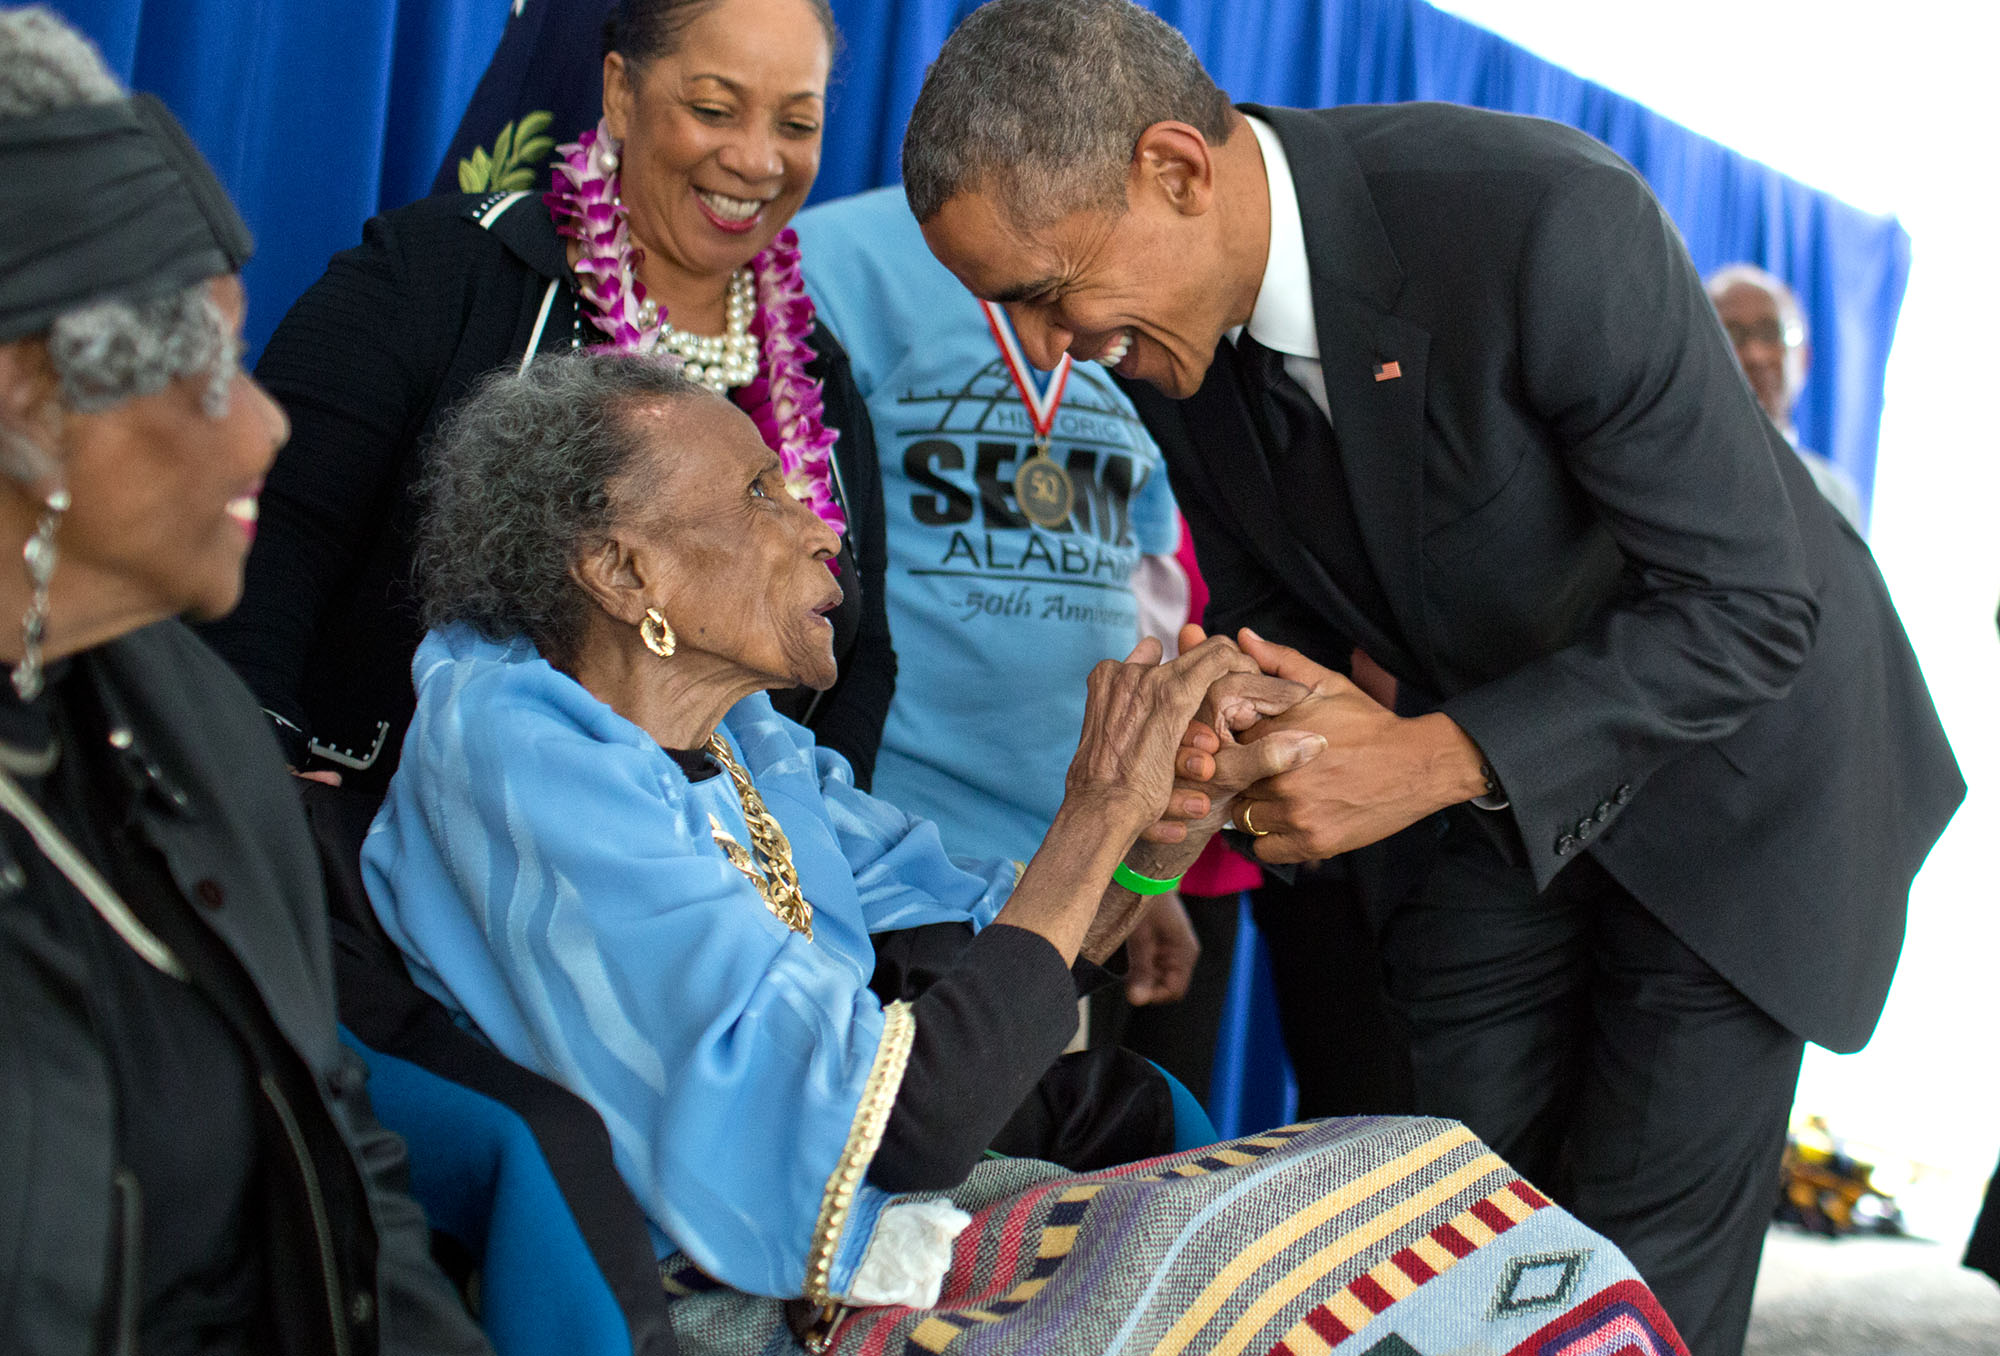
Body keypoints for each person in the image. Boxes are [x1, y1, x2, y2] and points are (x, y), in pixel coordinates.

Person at [900, 3, 1965, 1353]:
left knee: (1627, 1269)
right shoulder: (1166, 344)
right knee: (1451, 1214)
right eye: (1009, 311)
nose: (1046, 349)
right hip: (1486, 807)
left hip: (1736, 780)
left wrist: (1432, 756)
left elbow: (1754, 607)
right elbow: (1285, 610)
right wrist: (1235, 736)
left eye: (1049, 294)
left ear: (1176, 169)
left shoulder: (1540, 221)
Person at [361, 350, 1687, 1355]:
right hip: (740, 1284)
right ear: (620, 572)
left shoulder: (751, 744)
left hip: (883, 1201)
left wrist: (1169, 818)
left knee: (1423, 1180)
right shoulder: (524, 748)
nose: (820, 525)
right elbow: (905, 1115)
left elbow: (995, 958)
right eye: (759, 495)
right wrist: (1096, 811)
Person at [0, 10, 491, 1353]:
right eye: (207, 367)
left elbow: (348, 1177)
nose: (271, 421)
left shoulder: (201, 726)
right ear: (29, 403)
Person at [197, 0, 897, 795]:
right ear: (620, 93)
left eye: (797, 125)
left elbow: (861, 654)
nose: (758, 159)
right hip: (377, 854)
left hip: (695, 890)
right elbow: (273, 531)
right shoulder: (437, 273)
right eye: (713, 109)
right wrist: (256, 768)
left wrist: (812, 852)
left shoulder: (821, 378)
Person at [789, 184, 1202, 1009]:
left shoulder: (1133, 296)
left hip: (1067, 872)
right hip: (886, 870)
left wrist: (1140, 874)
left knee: (1045, 1135)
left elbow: (1135, 599)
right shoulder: (837, 259)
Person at [1706, 262, 1867, 530]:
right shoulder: (1677, 477)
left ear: (1803, 358)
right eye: (1732, 335)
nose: (1755, 354)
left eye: (1771, 332)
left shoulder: (1835, 495)